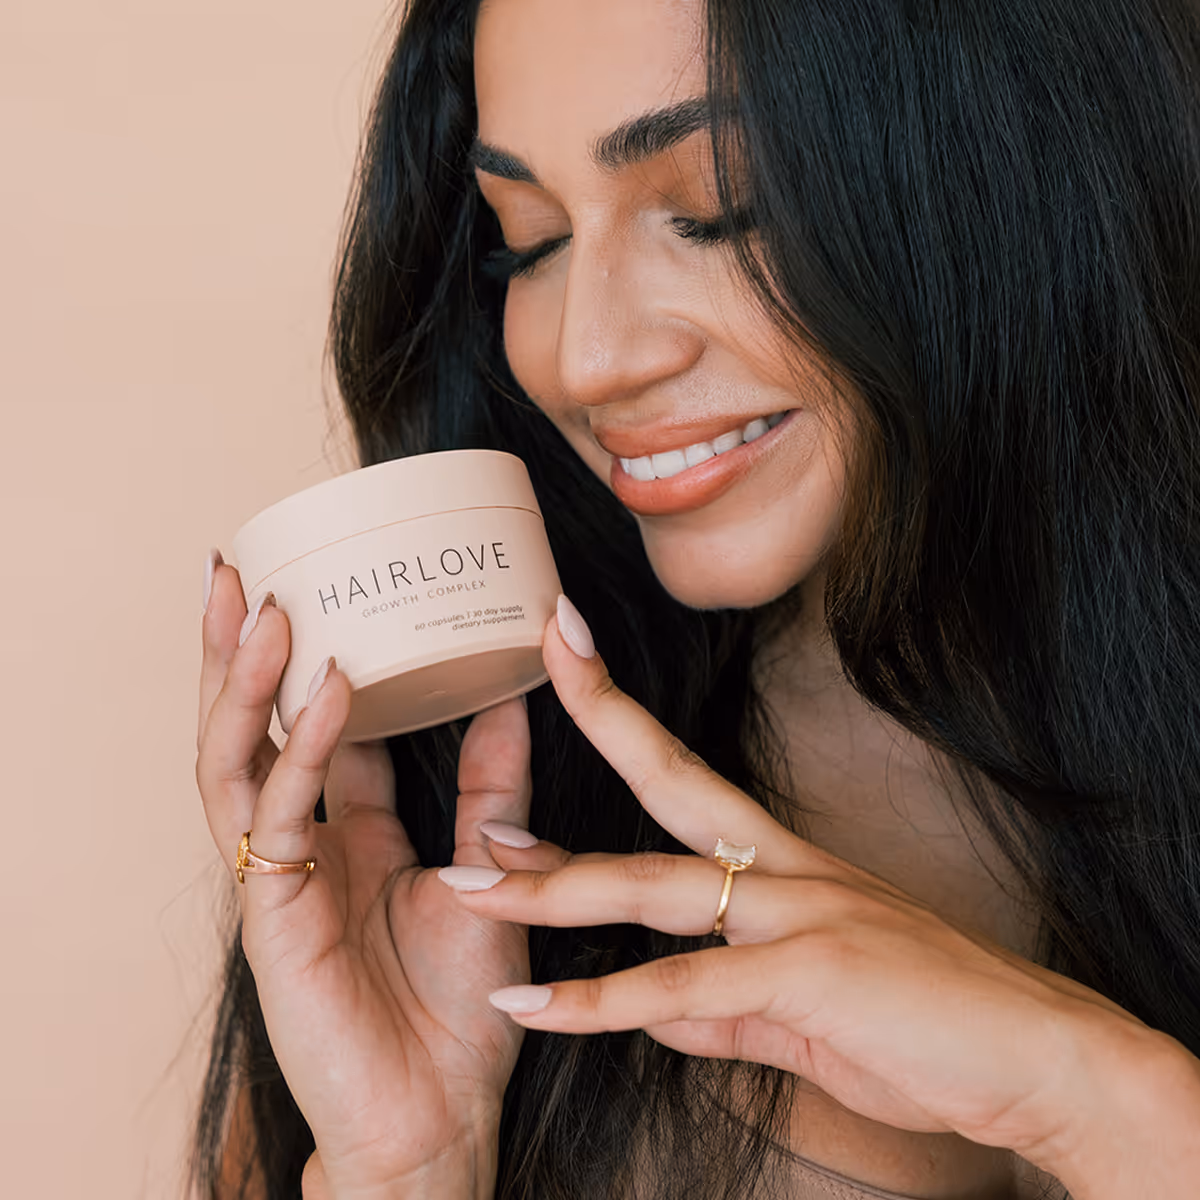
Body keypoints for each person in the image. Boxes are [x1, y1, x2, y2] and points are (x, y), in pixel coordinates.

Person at [190, 0, 1200, 1196]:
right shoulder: (446, 857)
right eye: (530, 239)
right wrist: (409, 1167)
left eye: (717, 206)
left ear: (1015, 157)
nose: (588, 358)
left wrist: (1119, 1106)